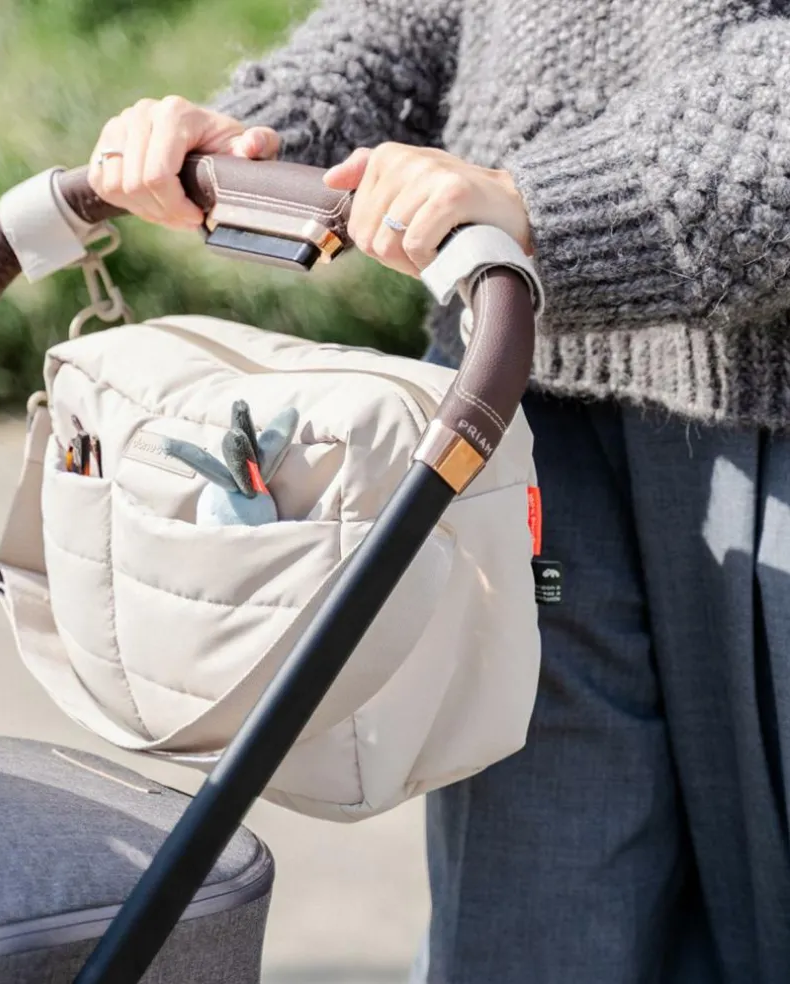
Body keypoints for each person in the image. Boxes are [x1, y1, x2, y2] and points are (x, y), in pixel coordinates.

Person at [88, 2, 790, 981]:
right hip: (518, 406)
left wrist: (542, 201)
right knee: (525, 923)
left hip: (763, 414)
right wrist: (255, 137)